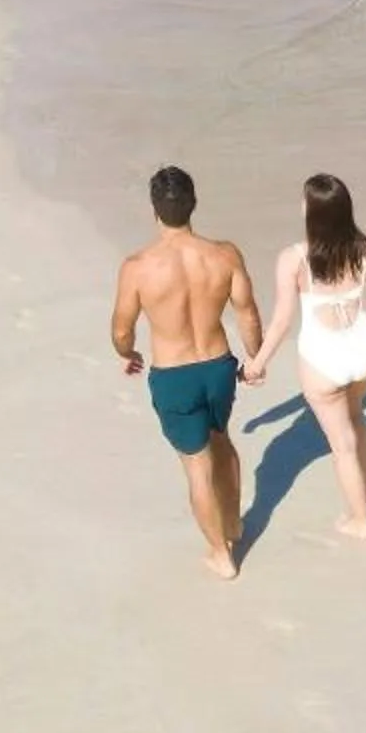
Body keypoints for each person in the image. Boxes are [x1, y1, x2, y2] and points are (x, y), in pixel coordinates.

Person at [110, 165, 262, 579]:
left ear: (154, 211)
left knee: (197, 466)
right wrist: (255, 359)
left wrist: (128, 352)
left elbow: (122, 329)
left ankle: (220, 553)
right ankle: (233, 524)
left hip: (174, 373)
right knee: (222, 441)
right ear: (193, 203)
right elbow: (246, 312)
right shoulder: (225, 254)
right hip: (217, 367)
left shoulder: (138, 266)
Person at [243, 173, 366, 541]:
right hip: (363, 350)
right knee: (357, 420)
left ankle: (359, 520)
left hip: (323, 358)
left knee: (341, 444)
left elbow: (283, 320)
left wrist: (257, 363)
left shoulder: (294, 258)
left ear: (312, 213)